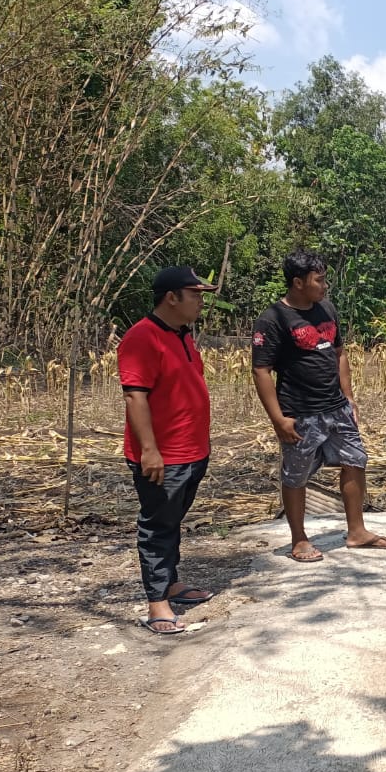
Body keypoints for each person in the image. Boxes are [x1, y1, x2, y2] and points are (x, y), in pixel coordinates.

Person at [252, 250, 386, 561]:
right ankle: (299, 539)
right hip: (300, 413)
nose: (325, 285)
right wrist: (278, 419)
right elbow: (261, 370)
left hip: (336, 409)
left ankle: (357, 531)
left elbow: (339, 353)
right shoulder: (273, 319)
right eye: (319, 280)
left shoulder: (327, 309)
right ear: (297, 282)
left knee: (355, 460)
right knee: (296, 475)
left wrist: (349, 397)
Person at [118, 266, 220, 635]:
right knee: (157, 526)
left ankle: (171, 583)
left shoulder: (182, 335)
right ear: (171, 297)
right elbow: (135, 396)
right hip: (164, 456)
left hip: (193, 450)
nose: (201, 302)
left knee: (172, 521)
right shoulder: (142, 338)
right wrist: (149, 450)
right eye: (195, 295)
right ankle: (158, 602)